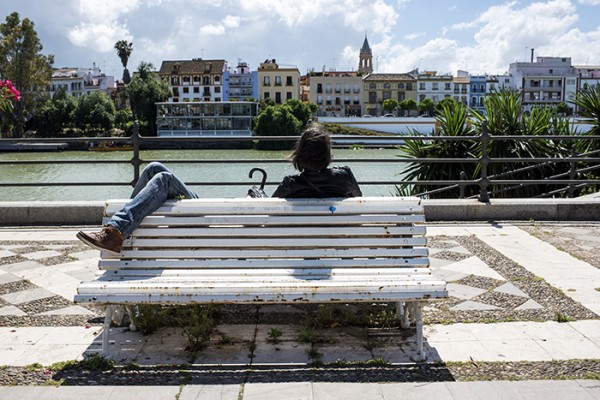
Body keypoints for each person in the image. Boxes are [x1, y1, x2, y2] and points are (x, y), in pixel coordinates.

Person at [77, 124, 362, 255]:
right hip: (325, 247)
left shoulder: (290, 184)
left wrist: (257, 196)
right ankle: (120, 232)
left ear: (299, 154)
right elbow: (358, 208)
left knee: (161, 178)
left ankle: (119, 234)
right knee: (153, 167)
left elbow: (265, 218)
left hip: (211, 230)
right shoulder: (346, 177)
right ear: (327, 154)